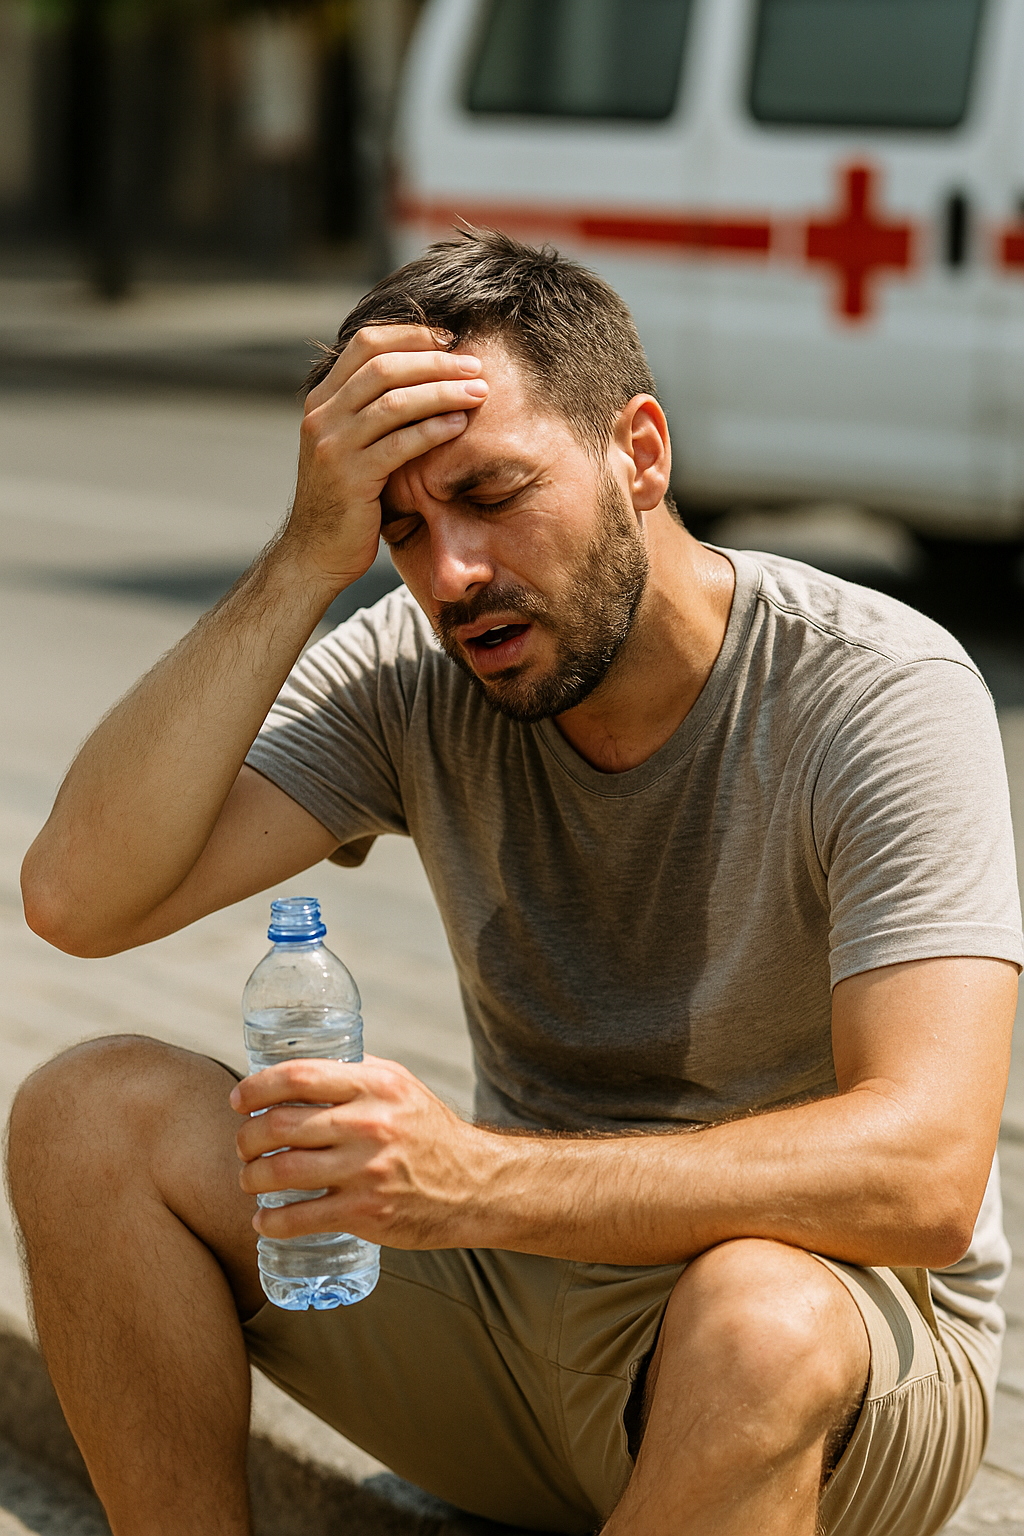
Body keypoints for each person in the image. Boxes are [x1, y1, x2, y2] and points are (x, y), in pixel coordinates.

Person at [8, 229, 1021, 1536]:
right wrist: (302, 562)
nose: (451, 577)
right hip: (518, 1320)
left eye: (491, 495)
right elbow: (79, 898)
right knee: (83, 1117)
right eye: (402, 528)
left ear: (639, 453)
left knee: (756, 1320)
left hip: (830, 1363)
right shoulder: (413, 670)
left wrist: (471, 1183)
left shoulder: (876, 691)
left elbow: (925, 1176)